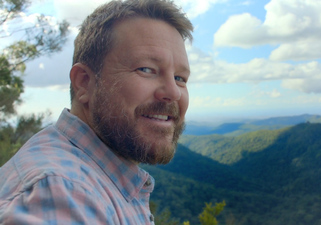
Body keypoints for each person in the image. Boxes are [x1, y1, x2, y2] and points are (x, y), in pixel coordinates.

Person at [0, 0, 193, 224]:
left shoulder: (93, 180)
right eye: (146, 69)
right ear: (84, 83)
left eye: (180, 78)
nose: (173, 92)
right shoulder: (60, 192)